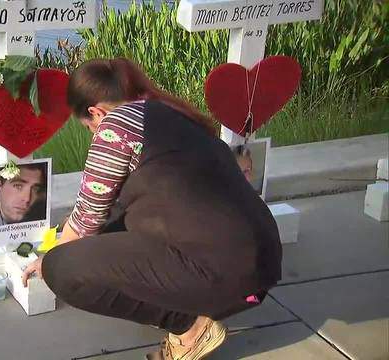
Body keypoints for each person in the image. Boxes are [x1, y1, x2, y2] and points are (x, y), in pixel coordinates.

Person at [22, 58, 282, 360]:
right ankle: (192, 307)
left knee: (63, 268)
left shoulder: (115, 126)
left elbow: (86, 220)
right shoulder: (172, 113)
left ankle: (188, 327)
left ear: (96, 112)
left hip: (223, 277)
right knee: (113, 225)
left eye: (90, 127)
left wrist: (47, 258)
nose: (95, 134)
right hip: (260, 269)